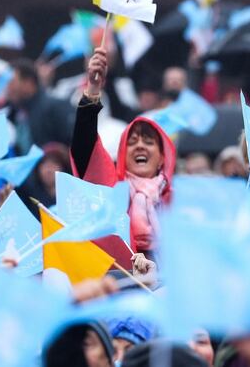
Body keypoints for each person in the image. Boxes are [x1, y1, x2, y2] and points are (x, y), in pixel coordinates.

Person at [71, 48, 177, 258]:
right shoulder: (111, 190)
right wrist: (93, 90)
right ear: (122, 155)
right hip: (120, 285)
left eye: (148, 141)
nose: (140, 146)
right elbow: (85, 147)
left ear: (162, 158)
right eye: (132, 141)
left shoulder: (178, 202)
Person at [5, 59, 75, 154]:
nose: (7, 88)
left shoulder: (57, 107)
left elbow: (75, 145)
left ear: (28, 83)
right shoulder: (12, 114)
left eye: (11, 82)